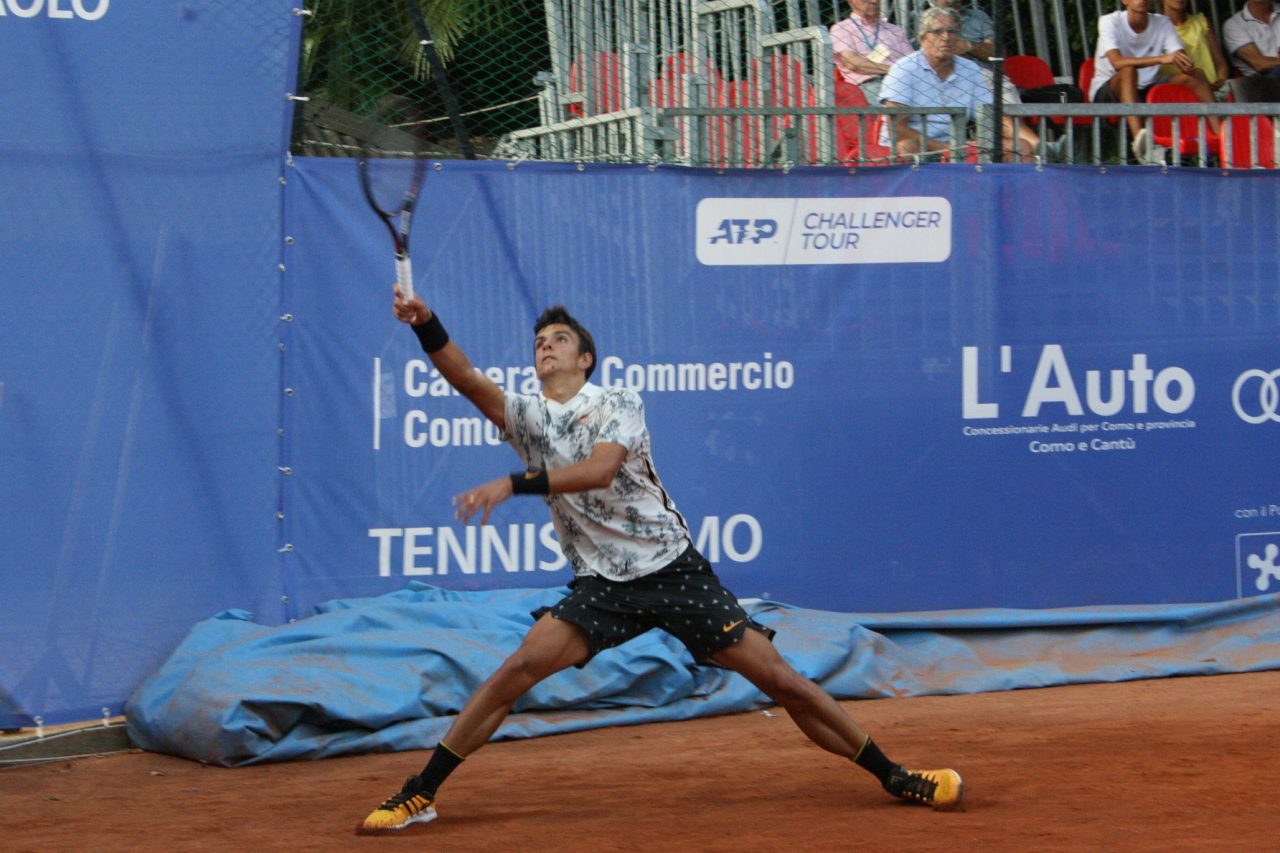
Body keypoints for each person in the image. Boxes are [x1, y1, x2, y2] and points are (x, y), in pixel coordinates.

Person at [358, 287, 963, 832]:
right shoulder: (528, 418)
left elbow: (599, 470)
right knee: (516, 670)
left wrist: (512, 484)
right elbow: (464, 377)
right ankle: (422, 792)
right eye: (539, 343)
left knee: (781, 680)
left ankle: (895, 774)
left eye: (559, 340)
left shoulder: (618, 399)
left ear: (585, 359)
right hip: (602, 584)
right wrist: (426, 321)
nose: (546, 348)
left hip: (672, 569)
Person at [880, 6, 1043, 162]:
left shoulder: (969, 69)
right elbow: (897, 128)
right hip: (917, 142)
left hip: (956, 143)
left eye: (952, 31)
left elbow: (992, 117)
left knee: (1020, 146)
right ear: (923, 37)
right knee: (908, 147)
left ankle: (1044, 153)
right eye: (938, 31)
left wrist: (1035, 143)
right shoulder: (903, 69)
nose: (946, 37)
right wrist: (945, 148)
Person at [1089, 0, 1219, 164]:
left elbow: (1178, 56)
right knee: (1128, 70)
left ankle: (1220, 138)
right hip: (1108, 90)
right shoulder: (1109, 21)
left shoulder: (1162, 22)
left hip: (1147, 88)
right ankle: (1142, 148)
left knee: (1196, 75)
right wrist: (1162, 58)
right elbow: (1117, 63)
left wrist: (1183, 62)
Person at [830, 0, 914, 105]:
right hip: (870, 84)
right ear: (851, 1)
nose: (874, 1)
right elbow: (853, 63)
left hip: (906, 82)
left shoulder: (895, 30)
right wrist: (895, 69)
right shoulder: (842, 29)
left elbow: (912, 62)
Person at [1160, 0, 1231, 99]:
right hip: (1177, 94)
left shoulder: (1201, 21)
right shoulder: (1156, 27)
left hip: (1213, 90)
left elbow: (1220, 62)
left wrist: (1221, 80)